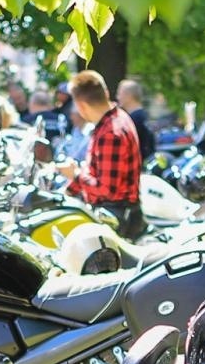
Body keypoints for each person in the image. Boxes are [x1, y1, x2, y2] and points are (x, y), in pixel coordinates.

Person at [56, 70, 144, 239]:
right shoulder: (115, 117)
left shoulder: (111, 133)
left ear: (81, 106)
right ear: (106, 93)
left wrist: (74, 174)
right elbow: (95, 170)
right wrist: (65, 192)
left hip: (116, 218)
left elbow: (107, 190)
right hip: (118, 212)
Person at [116, 78, 155, 161]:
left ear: (129, 96)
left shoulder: (134, 120)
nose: (117, 97)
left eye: (120, 93)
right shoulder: (143, 116)